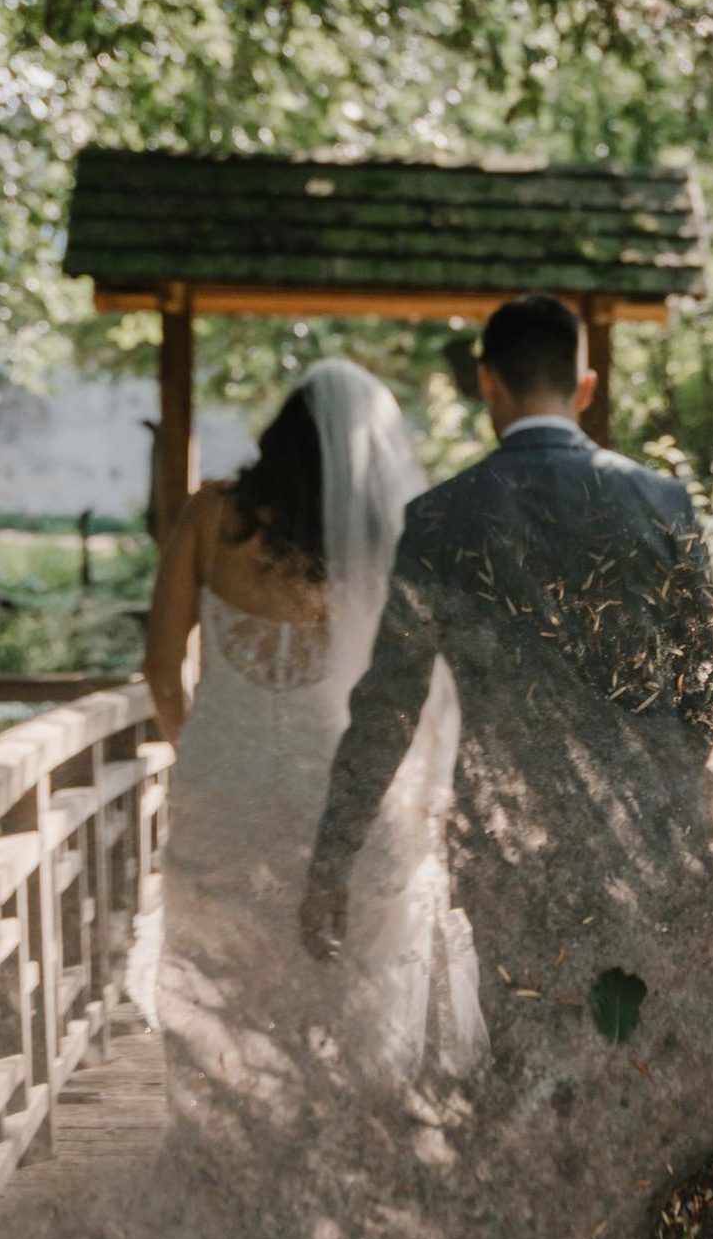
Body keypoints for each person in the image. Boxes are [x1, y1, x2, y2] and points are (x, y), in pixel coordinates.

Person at [302, 293, 713, 980]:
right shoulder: (662, 501)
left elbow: (388, 708)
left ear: (487, 381)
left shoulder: (439, 518)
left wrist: (331, 862)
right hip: (650, 832)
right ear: (585, 387)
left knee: (527, 1020)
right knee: (651, 1028)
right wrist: (670, 781)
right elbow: (704, 673)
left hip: (511, 841)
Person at [143, 359, 480, 1132]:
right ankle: (340, 1136)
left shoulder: (210, 517)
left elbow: (161, 667)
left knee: (224, 973)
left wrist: (198, 751)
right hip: (335, 794)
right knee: (342, 975)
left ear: (281, 434)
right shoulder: (381, 539)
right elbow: (417, 684)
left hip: (222, 789)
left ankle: (225, 1136)